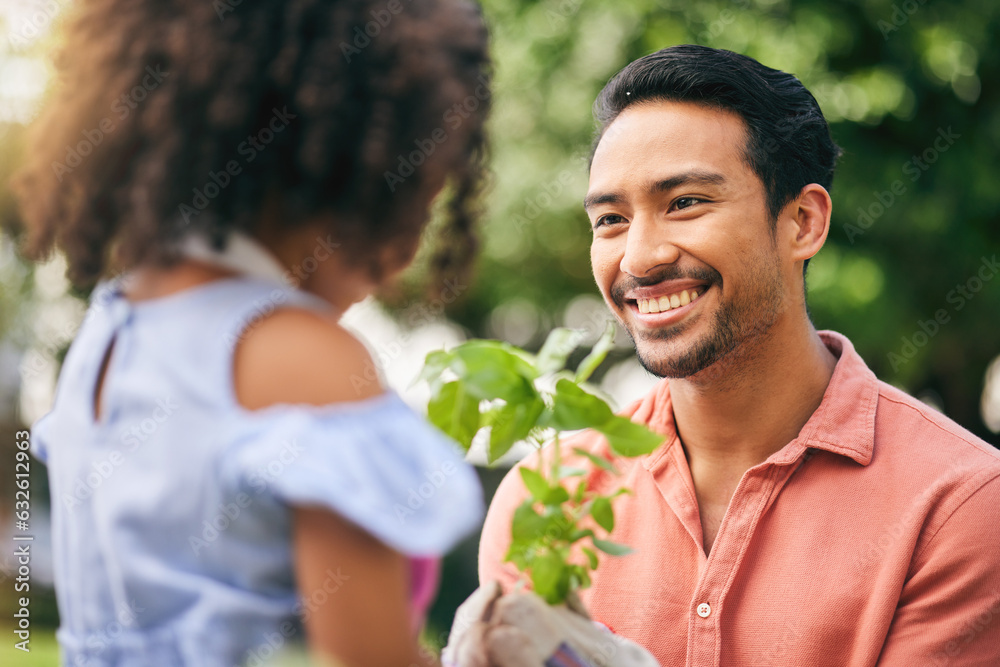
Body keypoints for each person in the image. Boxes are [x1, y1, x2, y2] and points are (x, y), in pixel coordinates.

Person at [471, 45, 1000, 665]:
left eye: (685, 203)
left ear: (802, 221)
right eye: (610, 219)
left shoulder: (958, 506)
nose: (639, 258)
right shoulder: (547, 499)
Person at [11, 0, 491, 665]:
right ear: (350, 166)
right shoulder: (300, 358)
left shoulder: (109, 333)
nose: (406, 255)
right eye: (417, 191)